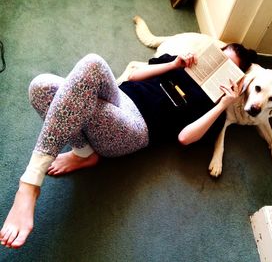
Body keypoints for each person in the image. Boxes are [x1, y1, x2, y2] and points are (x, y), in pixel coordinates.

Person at [0, 43, 257, 249]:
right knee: (41, 86)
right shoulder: (178, 62)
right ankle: (83, 152)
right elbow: (134, 75)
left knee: (81, 75)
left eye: (228, 69)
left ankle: (30, 183)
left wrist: (223, 104)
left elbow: (185, 138)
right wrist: (175, 63)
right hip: (119, 96)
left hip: (134, 127)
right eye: (220, 59)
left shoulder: (215, 105)